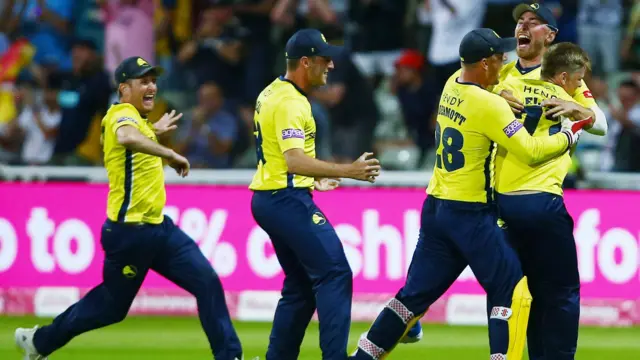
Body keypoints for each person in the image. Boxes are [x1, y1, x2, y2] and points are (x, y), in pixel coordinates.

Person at [348, 28, 591, 360]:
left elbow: (480, 100)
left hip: (436, 208)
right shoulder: (490, 106)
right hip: (471, 213)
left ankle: (362, 357)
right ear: (485, 63)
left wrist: (499, 97)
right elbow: (532, 151)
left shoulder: (451, 83)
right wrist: (568, 134)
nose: (504, 61)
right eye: (498, 58)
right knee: (511, 285)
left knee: (412, 298)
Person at [15, 56, 246, 360]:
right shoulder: (120, 114)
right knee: (111, 307)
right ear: (124, 88)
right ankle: (40, 341)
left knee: (207, 282)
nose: (152, 86)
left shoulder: (139, 121)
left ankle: (230, 357)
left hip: (158, 228)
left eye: (153, 80)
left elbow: (137, 134)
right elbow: (126, 136)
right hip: (129, 234)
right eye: (143, 81)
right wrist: (169, 152)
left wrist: (154, 131)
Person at [405, 1, 609, 344]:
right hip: (497, 201)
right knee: (511, 292)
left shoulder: (564, 77)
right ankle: (414, 311)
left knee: (532, 292)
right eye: (520, 21)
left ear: (551, 35)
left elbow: (600, 124)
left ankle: (411, 310)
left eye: (534, 22)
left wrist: (577, 108)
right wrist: (496, 91)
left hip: (538, 197)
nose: (523, 27)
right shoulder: (499, 73)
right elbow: (463, 89)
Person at [249, 28, 381, 360]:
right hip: (285, 200)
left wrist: (313, 179)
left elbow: (282, 158)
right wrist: (348, 171)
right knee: (335, 273)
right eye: (325, 60)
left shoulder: (272, 92)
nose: (331, 66)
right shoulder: (292, 102)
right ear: (305, 62)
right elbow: (293, 159)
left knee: (300, 287)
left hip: (272, 196)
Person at [493, 42, 598, 360]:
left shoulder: (508, 87)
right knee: (562, 293)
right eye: (578, 80)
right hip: (543, 203)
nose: (580, 86)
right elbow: (594, 123)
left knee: (518, 291)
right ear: (564, 77)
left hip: (504, 205)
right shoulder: (570, 102)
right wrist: (585, 112)